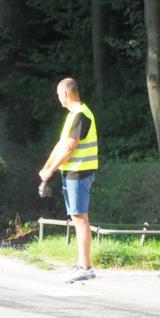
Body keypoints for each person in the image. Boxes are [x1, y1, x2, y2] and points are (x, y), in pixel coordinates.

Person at [38, 77, 98, 283]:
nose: (57, 98)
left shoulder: (81, 115)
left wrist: (51, 169)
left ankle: (85, 267)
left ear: (66, 93)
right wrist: (47, 168)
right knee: (77, 218)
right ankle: (82, 264)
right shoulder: (73, 115)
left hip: (79, 173)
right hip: (74, 173)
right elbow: (60, 145)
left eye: (58, 94)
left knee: (80, 219)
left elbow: (69, 148)